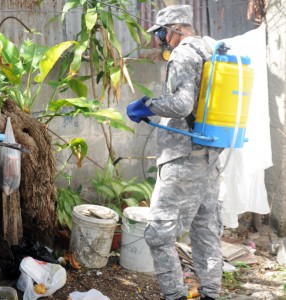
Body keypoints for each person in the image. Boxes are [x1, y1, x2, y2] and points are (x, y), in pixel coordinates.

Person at [126, 5, 222, 300]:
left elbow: (181, 105)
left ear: (176, 29)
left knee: (158, 234)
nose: (160, 40)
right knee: (205, 233)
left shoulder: (183, 53)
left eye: (161, 33)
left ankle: (175, 295)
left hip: (183, 160)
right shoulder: (211, 51)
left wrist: (148, 105)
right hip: (211, 158)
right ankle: (211, 294)